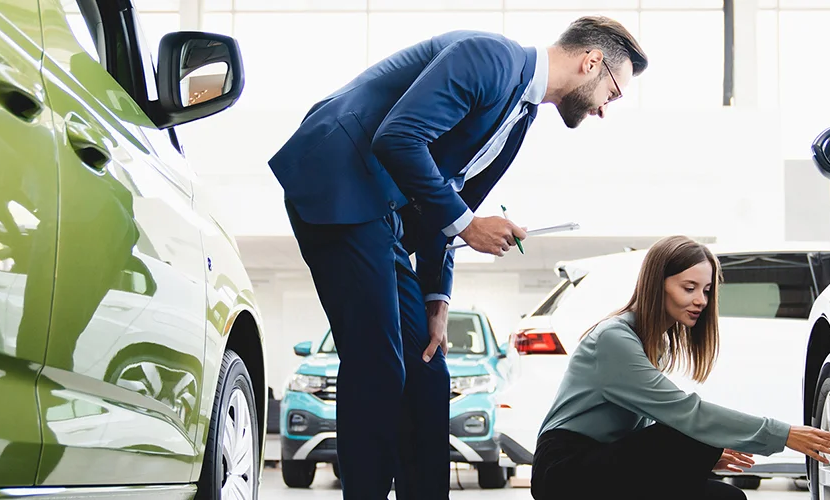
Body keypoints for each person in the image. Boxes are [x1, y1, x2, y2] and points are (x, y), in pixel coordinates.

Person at [265, 16, 648, 500]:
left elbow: (443, 199)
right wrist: (469, 225)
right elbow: (398, 138)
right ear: (590, 62)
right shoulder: (490, 58)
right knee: (379, 363)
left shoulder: (519, 116)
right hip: (339, 182)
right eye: (612, 94)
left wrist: (436, 298)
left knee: (427, 367)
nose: (603, 111)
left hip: (380, 213)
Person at [531, 236, 830, 500]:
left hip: (603, 459)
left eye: (707, 290)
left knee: (728, 497)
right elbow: (684, 413)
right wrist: (784, 434)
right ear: (657, 284)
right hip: (564, 469)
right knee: (689, 434)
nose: (701, 300)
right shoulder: (613, 338)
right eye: (689, 287)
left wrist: (698, 455)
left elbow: (641, 426)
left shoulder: (653, 342)